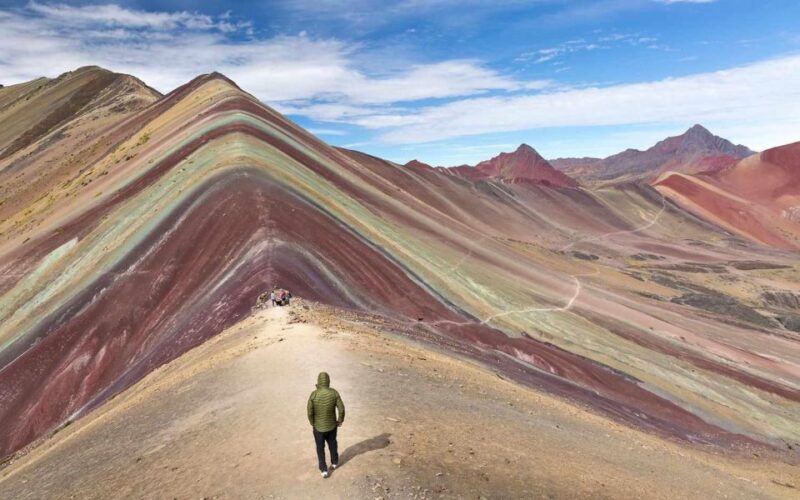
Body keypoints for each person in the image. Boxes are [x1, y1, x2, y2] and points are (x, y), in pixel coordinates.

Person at [307, 372, 345, 478]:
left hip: (318, 428)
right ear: (328, 381)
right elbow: (341, 409)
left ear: (318, 381)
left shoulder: (313, 394)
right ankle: (334, 462)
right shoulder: (334, 393)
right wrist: (340, 420)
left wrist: (312, 422)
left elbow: (310, 411)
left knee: (320, 447)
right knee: (332, 444)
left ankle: (323, 469)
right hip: (332, 426)